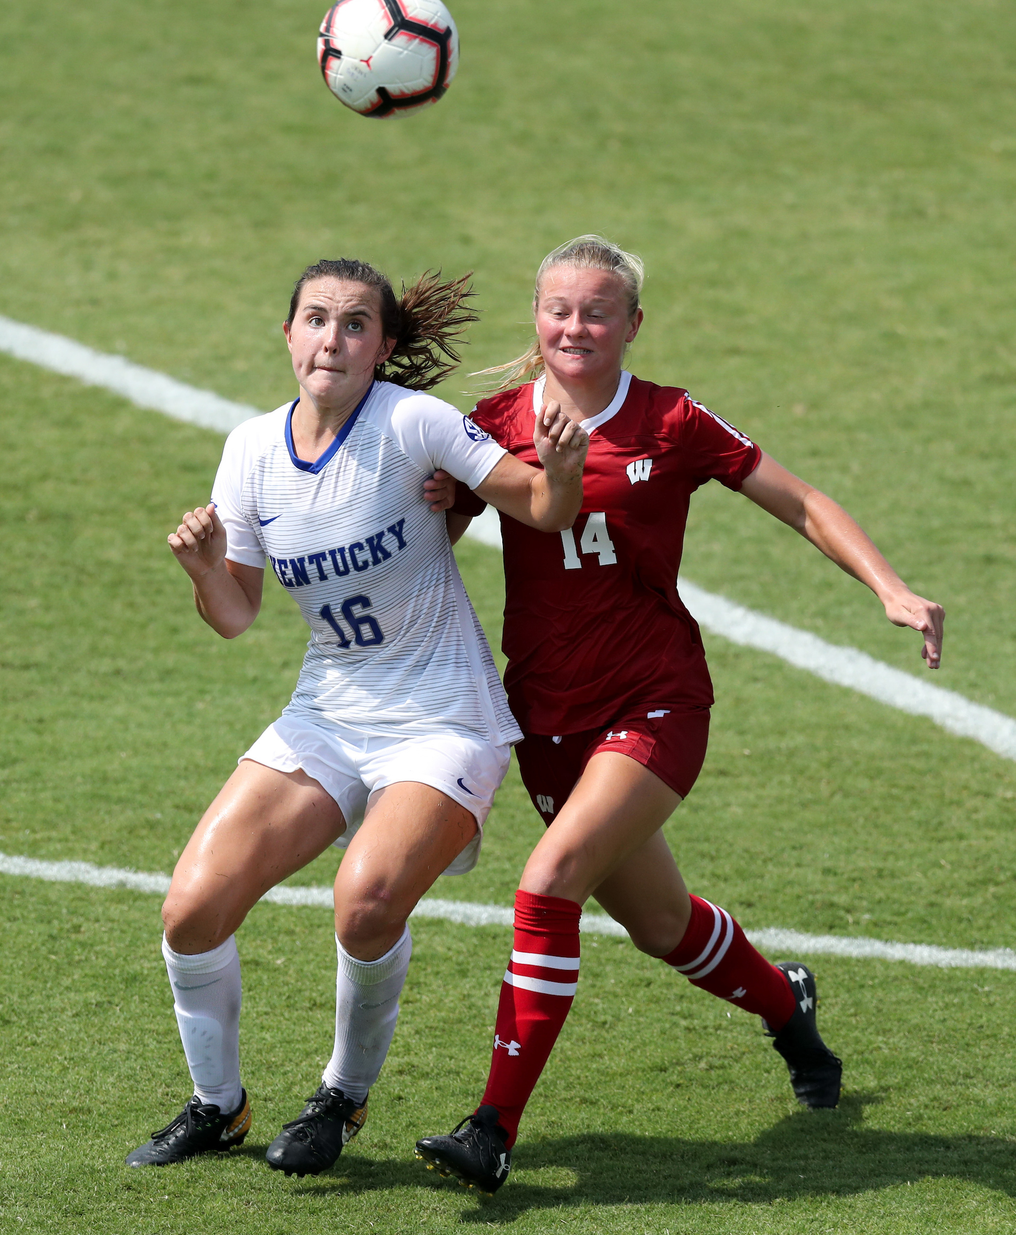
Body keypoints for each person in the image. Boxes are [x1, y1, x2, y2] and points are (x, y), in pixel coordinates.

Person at [415, 235, 944, 1194]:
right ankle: (787, 1005)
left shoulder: (670, 419)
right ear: (536, 318)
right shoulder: (490, 422)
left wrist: (890, 588)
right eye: (559, 310)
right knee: (662, 926)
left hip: (655, 699)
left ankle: (491, 1126)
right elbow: (437, 535)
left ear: (632, 324)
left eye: (598, 312)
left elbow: (803, 501)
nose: (575, 327)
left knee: (547, 885)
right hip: (543, 716)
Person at [125, 258, 588, 1172]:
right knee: (189, 912)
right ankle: (218, 1105)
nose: (331, 338)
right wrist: (207, 567)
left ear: (381, 347)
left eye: (354, 325)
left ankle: (341, 1097)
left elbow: (539, 506)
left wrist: (563, 469)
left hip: (443, 718)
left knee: (365, 904)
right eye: (316, 319)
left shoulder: (413, 423)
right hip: (329, 713)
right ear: (287, 334)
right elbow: (236, 615)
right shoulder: (251, 450)